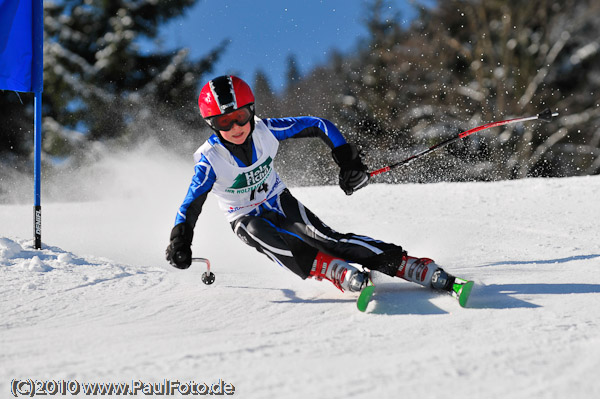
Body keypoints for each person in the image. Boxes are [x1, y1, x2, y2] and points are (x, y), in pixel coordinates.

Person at [166, 75, 456, 293]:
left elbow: (320, 125)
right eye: (223, 122)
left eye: (240, 117)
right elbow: (191, 203)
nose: (235, 128)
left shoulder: (265, 131)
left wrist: (348, 161)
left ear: (251, 111)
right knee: (260, 233)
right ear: (211, 125)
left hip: (279, 199)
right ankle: (329, 270)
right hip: (242, 215)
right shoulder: (210, 159)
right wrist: (180, 239)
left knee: (325, 238)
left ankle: (406, 264)